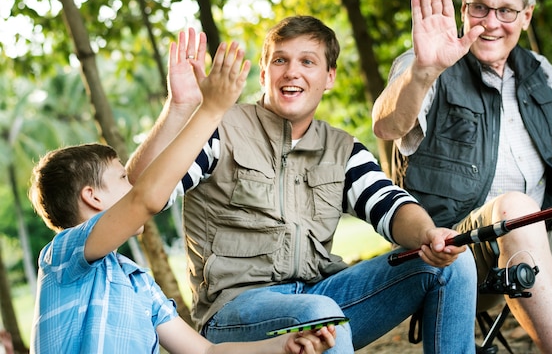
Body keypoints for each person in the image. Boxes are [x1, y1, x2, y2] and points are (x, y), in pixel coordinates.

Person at [126, 22, 477, 353]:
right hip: (234, 312)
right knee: (320, 313)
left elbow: (390, 204)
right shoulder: (220, 129)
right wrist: (179, 108)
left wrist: (430, 234)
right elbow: (140, 193)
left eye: (307, 61)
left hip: (322, 294)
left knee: (454, 263)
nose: (292, 71)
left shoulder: (342, 148)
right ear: (264, 74)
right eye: (280, 60)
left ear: (329, 77)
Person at [371, 0, 552, 354]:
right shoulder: (427, 63)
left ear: (527, 16)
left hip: (547, 237)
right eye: (480, 8)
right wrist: (423, 70)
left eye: (506, 11)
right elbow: (387, 126)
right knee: (515, 207)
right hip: (458, 254)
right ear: (463, 6)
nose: (491, 23)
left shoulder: (540, 72)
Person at [28, 33, 336, 354]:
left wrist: (285, 345)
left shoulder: (139, 283)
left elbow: (206, 352)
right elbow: (145, 198)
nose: (134, 182)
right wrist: (211, 111)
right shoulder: (63, 256)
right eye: (122, 177)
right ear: (92, 196)